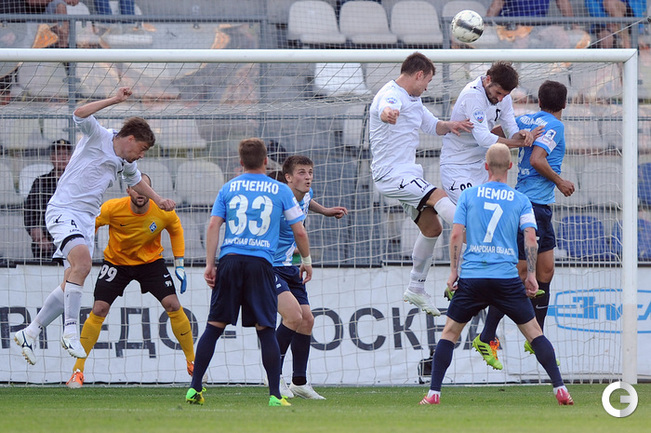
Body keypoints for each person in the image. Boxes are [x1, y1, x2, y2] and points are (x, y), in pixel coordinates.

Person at [13, 87, 175, 365]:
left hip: (87, 219)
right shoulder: (98, 135)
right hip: (64, 210)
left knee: (70, 280)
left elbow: (136, 181)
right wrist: (115, 100)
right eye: (142, 149)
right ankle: (70, 331)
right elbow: (79, 113)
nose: (142, 155)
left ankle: (30, 332)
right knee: (83, 265)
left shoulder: (125, 161)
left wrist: (158, 199)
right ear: (131, 139)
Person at [419, 143, 574, 406]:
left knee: (449, 334)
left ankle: (434, 393)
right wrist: (532, 275)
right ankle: (560, 388)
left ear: (485, 166)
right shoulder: (521, 200)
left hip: (473, 278)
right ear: (511, 166)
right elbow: (531, 238)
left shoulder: (469, 196)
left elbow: (456, 235)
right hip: (506, 279)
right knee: (535, 334)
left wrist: (454, 272)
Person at [185, 138, 312, 407]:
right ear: (266, 161)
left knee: (213, 327)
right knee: (265, 329)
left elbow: (213, 226)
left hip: (230, 260)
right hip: (261, 263)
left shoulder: (228, 187)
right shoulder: (280, 189)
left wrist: (210, 264)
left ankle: (194, 388)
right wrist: (307, 260)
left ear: (241, 162)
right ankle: (275, 395)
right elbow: (299, 231)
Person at [473, 81, 575, 369]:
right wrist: (560, 181)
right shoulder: (555, 125)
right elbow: (538, 159)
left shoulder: (526, 119)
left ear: (539, 101)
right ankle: (487, 336)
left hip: (541, 207)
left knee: (545, 271)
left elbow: (494, 132)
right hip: (528, 205)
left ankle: (535, 336)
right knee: (518, 275)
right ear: (564, 104)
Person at [65, 173, 194, 388]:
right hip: (117, 263)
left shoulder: (162, 212)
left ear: (150, 192)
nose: (140, 193)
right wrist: (82, 252)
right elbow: (90, 225)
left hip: (151, 263)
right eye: (136, 188)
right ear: (128, 190)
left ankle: (192, 362)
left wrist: (179, 263)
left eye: (145, 189)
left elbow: (176, 230)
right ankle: (78, 371)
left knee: (173, 304)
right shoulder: (112, 208)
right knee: (99, 309)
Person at [369, 52, 473, 316]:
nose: (427, 87)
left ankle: (415, 287)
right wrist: (388, 114)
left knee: (432, 228)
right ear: (418, 75)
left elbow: (432, 126)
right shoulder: (391, 95)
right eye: (427, 81)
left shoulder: (414, 99)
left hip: (406, 173)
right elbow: (386, 108)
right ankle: (476, 237)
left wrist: (452, 125)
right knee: (438, 196)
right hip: (392, 174)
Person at [271, 156, 348, 400]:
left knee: (307, 320)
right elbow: (299, 232)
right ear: (288, 177)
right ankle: (273, 374)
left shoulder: (306, 194)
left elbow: (306, 203)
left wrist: (325, 211)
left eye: (310, 172)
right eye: (302, 173)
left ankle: (299, 382)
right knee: (293, 316)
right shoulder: (277, 200)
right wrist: (307, 260)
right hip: (269, 266)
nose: (308, 177)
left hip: (289, 265)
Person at [440, 61, 539, 206]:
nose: (500, 99)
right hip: (457, 166)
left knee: (486, 214)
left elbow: (510, 128)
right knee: (473, 212)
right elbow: (483, 138)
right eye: (498, 93)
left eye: (505, 95)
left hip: (481, 166)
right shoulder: (473, 95)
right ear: (488, 80)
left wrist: (522, 135)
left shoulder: (503, 98)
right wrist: (518, 143)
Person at [23, 139, 73, 260]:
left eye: (66, 154)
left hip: (73, 238)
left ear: (72, 158)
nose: (63, 158)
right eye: (59, 154)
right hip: (46, 241)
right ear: (52, 158)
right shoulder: (40, 182)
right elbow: (30, 210)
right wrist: (39, 236)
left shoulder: (77, 182)